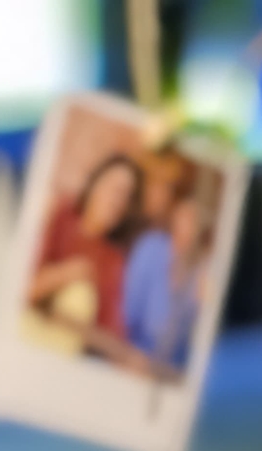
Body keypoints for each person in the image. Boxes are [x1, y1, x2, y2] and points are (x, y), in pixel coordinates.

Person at [27, 153, 144, 345]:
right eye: (114, 189)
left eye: (127, 196)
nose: (118, 200)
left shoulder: (113, 261)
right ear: (94, 184)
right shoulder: (60, 216)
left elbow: (110, 335)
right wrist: (65, 274)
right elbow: (21, 288)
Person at [123, 188, 209, 373]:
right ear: (175, 217)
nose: (189, 226)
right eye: (185, 217)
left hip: (171, 369)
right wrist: (130, 352)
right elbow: (129, 306)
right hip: (132, 353)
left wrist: (203, 305)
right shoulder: (151, 247)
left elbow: (193, 337)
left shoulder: (201, 270)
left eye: (195, 221)